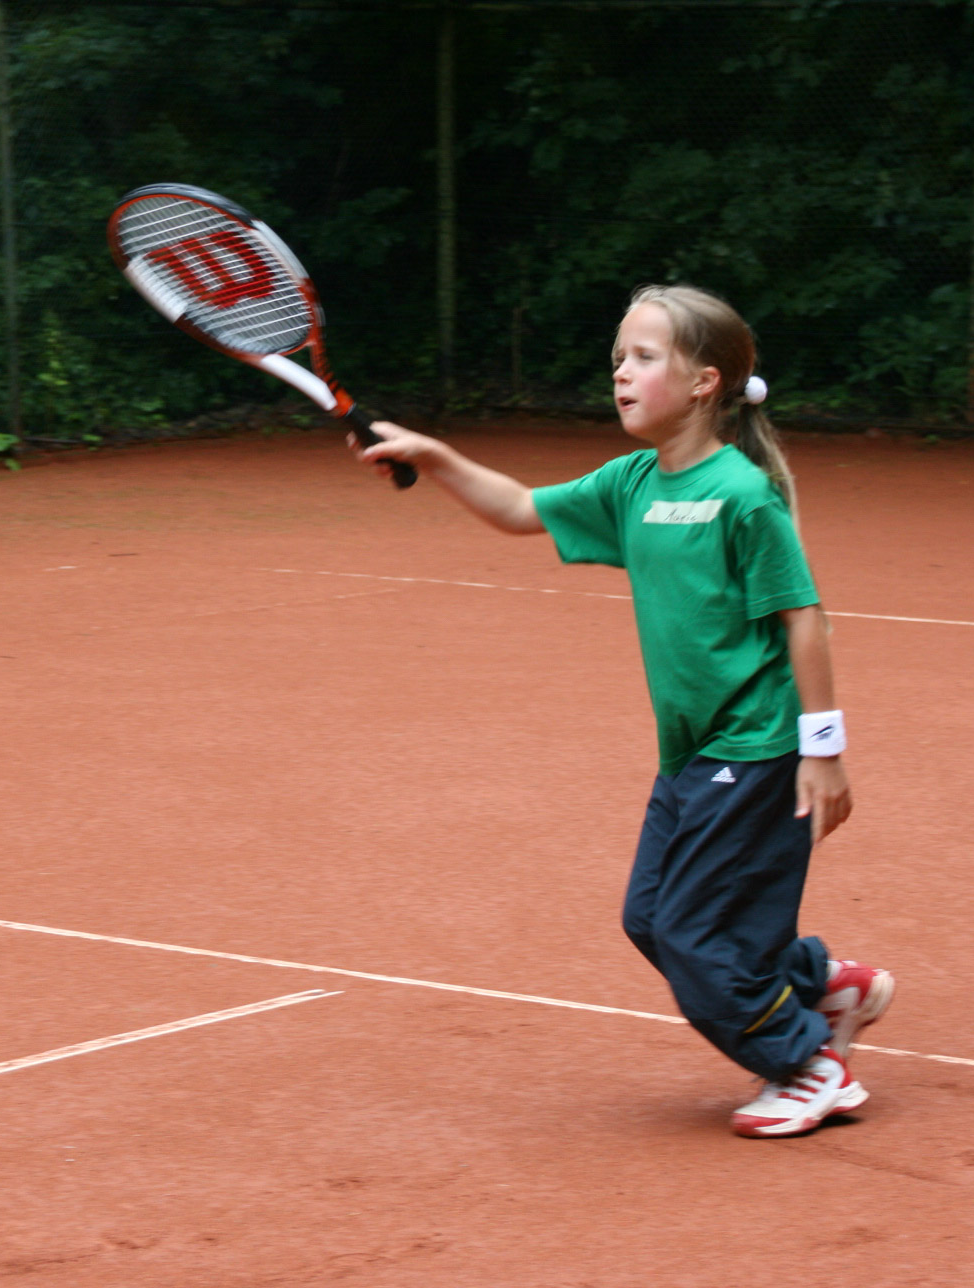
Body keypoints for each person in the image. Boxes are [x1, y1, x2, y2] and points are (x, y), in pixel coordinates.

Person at [351, 283, 893, 1138]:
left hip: (752, 748)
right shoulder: (633, 482)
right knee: (652, 918)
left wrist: (822, 750)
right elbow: (523, 510)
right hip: (689, 751)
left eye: (644, 358)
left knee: (689, 934)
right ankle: (822, 985)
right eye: (618, 359)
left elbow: (804, 616)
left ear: (706, 382)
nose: (621, 374)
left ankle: (806, 1061)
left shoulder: (740, 494)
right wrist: (437, 456)